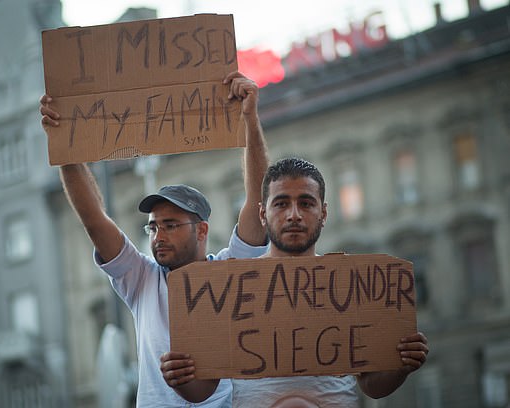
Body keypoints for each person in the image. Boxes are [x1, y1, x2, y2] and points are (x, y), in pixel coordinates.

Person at [40, 71, 269, 407]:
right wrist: (64, 144)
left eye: (171, 225)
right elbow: (94, 220)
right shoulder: (142, 279)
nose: (158, 235)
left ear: (201, 230)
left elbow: (258, 201)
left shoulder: (231, 270)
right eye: (153, 227)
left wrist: (249, 119)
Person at [160, 157, 430, 407]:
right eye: (281, 203)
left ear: (323, 213)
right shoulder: (232, 288)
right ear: (262, 214)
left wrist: (401, 365)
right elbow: (202, 390)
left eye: (306, 203)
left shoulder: (349, 283)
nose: (294, 215)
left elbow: (373, 386)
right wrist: (179, 378)